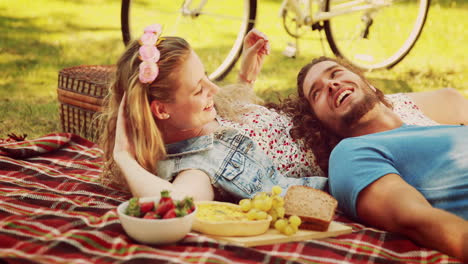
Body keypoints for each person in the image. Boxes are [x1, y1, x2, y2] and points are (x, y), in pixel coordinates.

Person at [99, 24, 329, 202]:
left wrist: (246, 77)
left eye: (206, 76)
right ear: (161, 110)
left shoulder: (196, 117)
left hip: (310, 116)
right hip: (333, 148)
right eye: (199, 89)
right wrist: (124, 157)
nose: (214, 88)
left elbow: (242, 127)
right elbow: (177, 204)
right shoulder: (197, 167)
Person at [287, 56, 468, 262]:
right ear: (319, 123)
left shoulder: (438, 128)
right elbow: (415, 219)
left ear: (368, 83)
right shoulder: (351, 153)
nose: (330, 84)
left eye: (335, 73)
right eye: (316, 92)